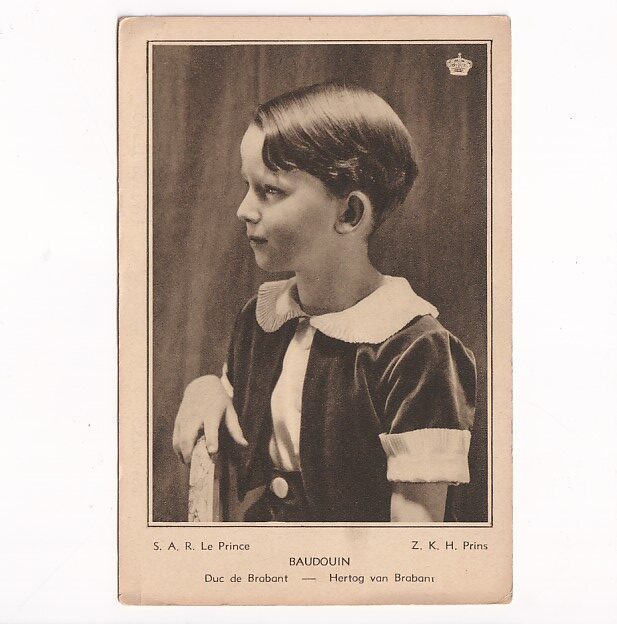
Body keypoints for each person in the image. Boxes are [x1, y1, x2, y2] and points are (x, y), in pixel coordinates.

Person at [172, 82, 476, 523]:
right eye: (247, 186)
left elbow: (416, 538)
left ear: (349, 213)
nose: (244, 209)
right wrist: (206, 388)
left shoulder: (415, 351)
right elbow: (233, 398)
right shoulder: (262, 321)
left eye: (270, 190)